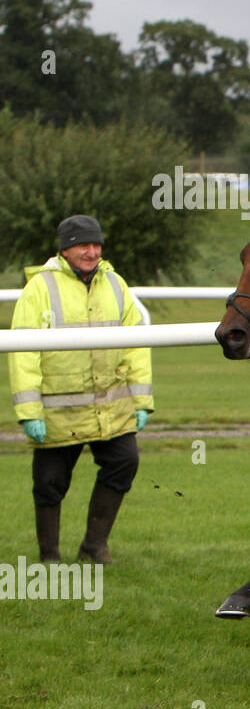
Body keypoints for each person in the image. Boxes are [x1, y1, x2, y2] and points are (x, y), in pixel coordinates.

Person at [9, 215, 153, 563]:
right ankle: (50, 556)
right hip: (59, 411)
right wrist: (29, 412)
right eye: (83, 245)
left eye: (96, 244)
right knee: (50, 485)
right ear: (65, 249)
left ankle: (94, 547)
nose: (91, 252)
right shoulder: (39, 288)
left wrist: (142, 400)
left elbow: (137, 344)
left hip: (112, 406)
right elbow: (23, 352)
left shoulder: (116, 283)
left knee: (124, 463)